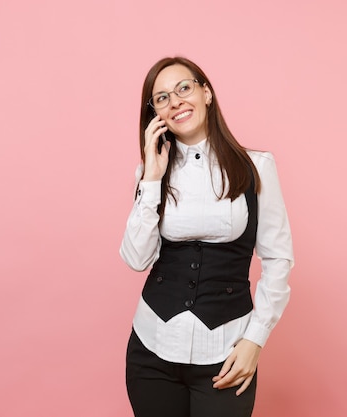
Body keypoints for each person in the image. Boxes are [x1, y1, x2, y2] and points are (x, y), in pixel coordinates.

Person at [120, 56, 294, 417]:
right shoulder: (150, 173)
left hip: (226, 351)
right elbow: (136, 259)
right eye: (162, 97)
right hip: (152, 349)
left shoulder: (257, 166)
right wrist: (151, 177)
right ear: (155, 114)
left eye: (184, 88)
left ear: (207, 93)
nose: (176, 101)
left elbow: (278, 258)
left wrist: (254, 340)